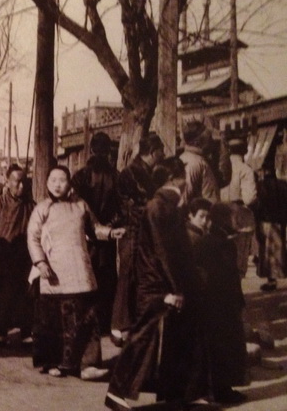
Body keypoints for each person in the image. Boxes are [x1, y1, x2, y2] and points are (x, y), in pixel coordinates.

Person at [105, 158, 210, 411]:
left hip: (160, 283)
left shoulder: (165, 205)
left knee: (177, 336)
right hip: (158, 285)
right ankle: (118, 393)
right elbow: (164, 252)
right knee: (144, 337)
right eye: (183, 175)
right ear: (175, 178)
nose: (187, 181)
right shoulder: (161, 207)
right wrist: (174, 289)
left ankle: (180, 393)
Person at [27, 166, 125, 379]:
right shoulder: (42, 209)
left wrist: (109, 232)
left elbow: (95, 228)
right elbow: (33, 238)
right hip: (52, 271)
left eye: (62, 180)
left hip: (79, 269)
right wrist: (40, 262)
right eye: (53, 180)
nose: (57, 184)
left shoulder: (81, 206)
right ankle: (53, 362)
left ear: (69, 183)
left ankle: (88, 364)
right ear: (47, 183)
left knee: (87, 317)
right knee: (53, 321)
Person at [111, 133, 164, 344]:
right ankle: (119, 325)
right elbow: (128, 206)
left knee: (141, 276)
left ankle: (132, 322)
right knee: (128, 274)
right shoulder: (131, 173)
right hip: (132, 230)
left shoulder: (148, 172)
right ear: (152, 152)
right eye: (160, 151)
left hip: (144, 230)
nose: (162, 155)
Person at [193, 203, 248, 405]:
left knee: (218, 348)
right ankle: (222, 390)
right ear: (226, 219)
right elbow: (229, 276)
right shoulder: (222, 243)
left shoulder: (209, 240)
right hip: (221, 304)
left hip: (213, 302)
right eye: (235, 219)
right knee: (224, 348)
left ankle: (218, 389)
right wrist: (237, 301)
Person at [71, 131, 120, 335]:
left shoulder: (80, 175)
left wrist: (87, 227)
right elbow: (121, 208)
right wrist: (109, 225)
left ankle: (88, 322)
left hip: (86, 236)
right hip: (108, 235)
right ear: (109, 151)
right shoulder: (116, 176)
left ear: (90, 149)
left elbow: (74, 206)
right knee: (106, 278)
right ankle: (104, 322)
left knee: (86, 277)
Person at [0, 164, 35, 348]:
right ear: (7, 182)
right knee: (3, 296)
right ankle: (1, 333)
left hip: (25, 258)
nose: (21, 186)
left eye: (24, 182)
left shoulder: (31, 206)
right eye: (17, 182)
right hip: (3, 257)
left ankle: (26, 332)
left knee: (26, 295)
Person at [220, 138, 257, 277]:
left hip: (221, 214)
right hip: (240, 216)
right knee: (239, 261)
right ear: (245, 151)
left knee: (223, 260)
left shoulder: (221, 167)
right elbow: (249, 198)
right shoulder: (246, 170)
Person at [255, 168, 287, 292]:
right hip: (279, 221)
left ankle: (271, 279)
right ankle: (276, 275)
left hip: (265, 220)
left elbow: (257, 204)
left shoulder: (260, 185)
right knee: (280, 249)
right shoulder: (283, 184)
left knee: (267, 252)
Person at [179, 121, 221, 205]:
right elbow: (183, 200)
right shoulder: (193, 163)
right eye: (209, 138)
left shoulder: (198, 159)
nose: (212, 141)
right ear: (197, 142)